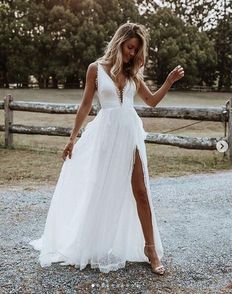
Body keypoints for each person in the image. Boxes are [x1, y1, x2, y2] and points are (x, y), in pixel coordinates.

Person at [29, 22, 184, 275]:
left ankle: (151, 249)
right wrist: (72, 139)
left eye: (136, 50)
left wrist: (169, 81)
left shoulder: (134, 73)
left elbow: (152, 101)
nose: (132, 53)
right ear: (119, 42)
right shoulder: (95, 69)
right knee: (98, 189)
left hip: (129, 133)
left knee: (141, 191)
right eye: (129, 47)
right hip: (105, 135)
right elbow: (85, 106)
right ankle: (87, 243)